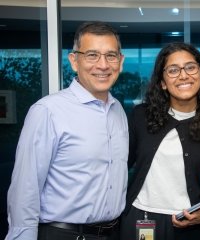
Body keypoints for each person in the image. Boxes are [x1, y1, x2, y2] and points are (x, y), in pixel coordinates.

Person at [6, 21, 128, 240]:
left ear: (120, 61)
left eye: (111, 55)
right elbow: (25, 189)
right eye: (92, 55)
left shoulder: (117, 110)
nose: (103, 65)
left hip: (111, 233)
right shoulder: (47, 111)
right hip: (63, 234)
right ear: (74, 61)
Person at [119, 42, 200, 240]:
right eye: (173, 70)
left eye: (190, 67)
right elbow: (121, 167)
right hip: (140, 218)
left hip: (189, 224)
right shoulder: (141, 116)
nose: (183, 75)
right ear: (162, 82)